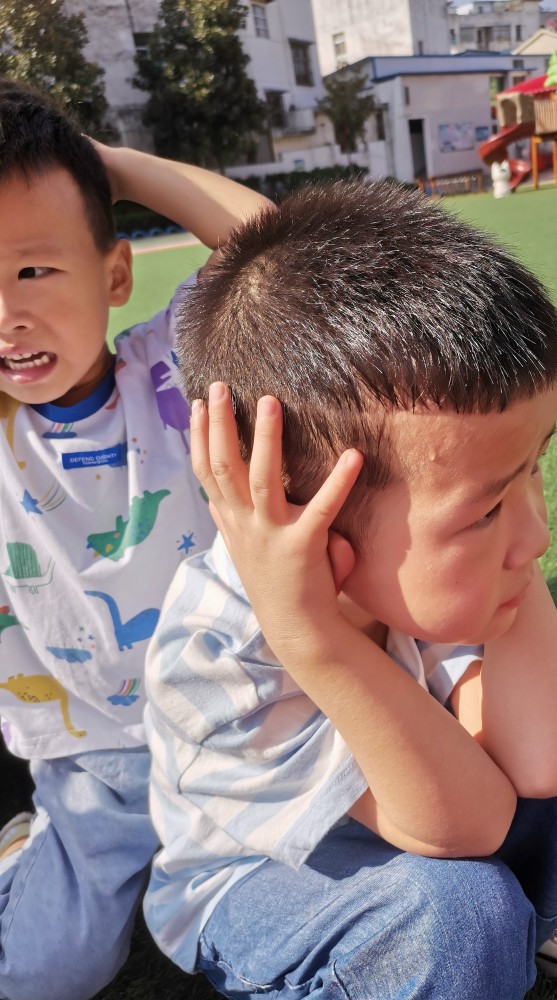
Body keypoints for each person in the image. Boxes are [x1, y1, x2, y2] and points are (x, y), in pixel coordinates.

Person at [144, 181, 557, 998]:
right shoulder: (215, 659)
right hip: (259, 876)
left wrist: (499, 546)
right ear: (314, 526)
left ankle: (540, 916)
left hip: (423, 798)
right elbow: (469, 826)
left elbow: (548, 761)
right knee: (458, 916)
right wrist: (313, 640)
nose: (538, 538)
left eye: (534, 467)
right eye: (487, 509)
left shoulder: (413, 572)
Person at [0, 79, 271, 1000]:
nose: (7, 313)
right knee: (47, 975)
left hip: (234, 728)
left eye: (34, 270)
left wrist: (104, 164)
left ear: (115, 275)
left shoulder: (171, 365)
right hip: (93, 762)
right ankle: (26, 850)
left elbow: (275, 248)